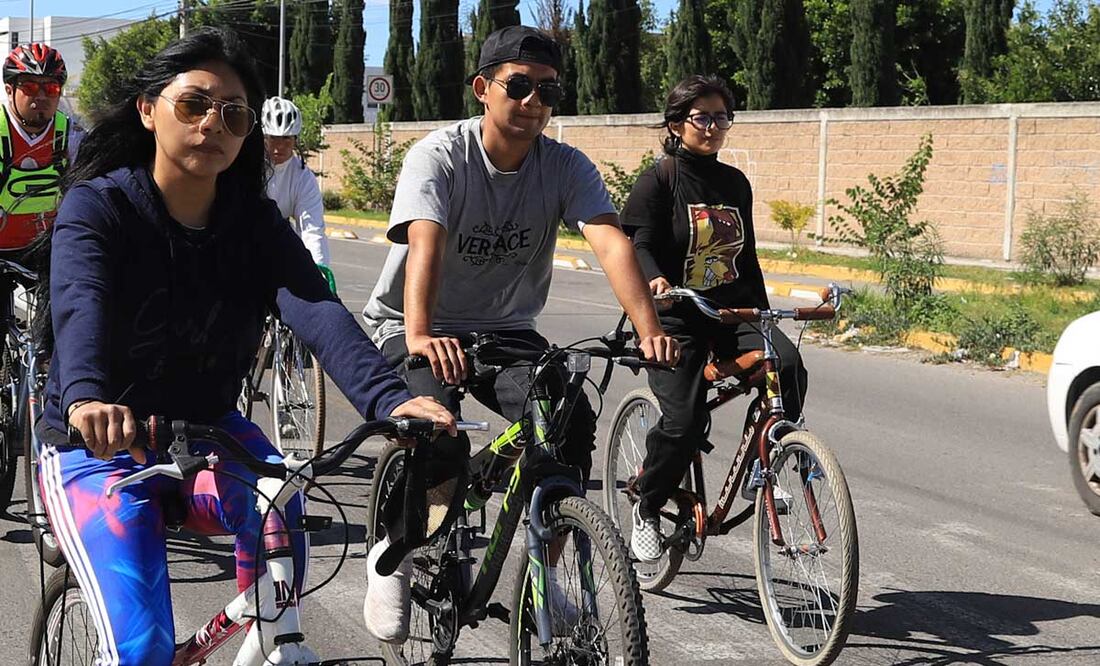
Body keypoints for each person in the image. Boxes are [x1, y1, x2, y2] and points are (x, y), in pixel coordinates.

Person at [35, 28, 453, 665]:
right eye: (193, 105)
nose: (213, 124)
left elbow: (316, 308)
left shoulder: (253, 223)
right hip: (98, 448)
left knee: (282, 502)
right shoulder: (100, 208)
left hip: (209, 434)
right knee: (142, 651)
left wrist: (389, 400)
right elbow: (79, 303)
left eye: (233, 114)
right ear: (148, 110)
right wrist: (87, 398)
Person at [360, 25, 679, 642]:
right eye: (519, 86)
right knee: (435, 429)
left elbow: (611, 242)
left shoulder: (564, 166)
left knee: (568, 417)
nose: (534, 102)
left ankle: (545, 575)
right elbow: (425, 241)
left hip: (505, 329)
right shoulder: (440, 155)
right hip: (413, 323)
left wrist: (650, 330)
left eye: (548, 91)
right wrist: (420, 334)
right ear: (483, 88)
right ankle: (392, 553)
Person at [620, 75, 808, 562]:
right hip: (675, 317)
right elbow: (637, 244)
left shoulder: (734, 183)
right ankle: (647, 505)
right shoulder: (659, 179)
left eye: (721, 117)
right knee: (683, 423)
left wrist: (763, 315)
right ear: (676, 124)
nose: (713, 127)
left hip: (727, 310)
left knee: (786, 365)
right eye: (702, 117)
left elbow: (745, 256)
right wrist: (655, 280)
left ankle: (762, 467)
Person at [0, 43, 81, 252]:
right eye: (30, 87)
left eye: (52, 88)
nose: (42, 96)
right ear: (9, 90)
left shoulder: (73, 136)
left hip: (50, 251)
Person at [260, 96, 335, 292]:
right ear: (263, 138)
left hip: (279, 240)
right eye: (273, 137)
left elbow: (312, 229)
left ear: (296, 139)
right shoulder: (246, 167)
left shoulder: (303, 177)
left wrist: (319, 271)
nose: (279, 146)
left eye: (286, 138)